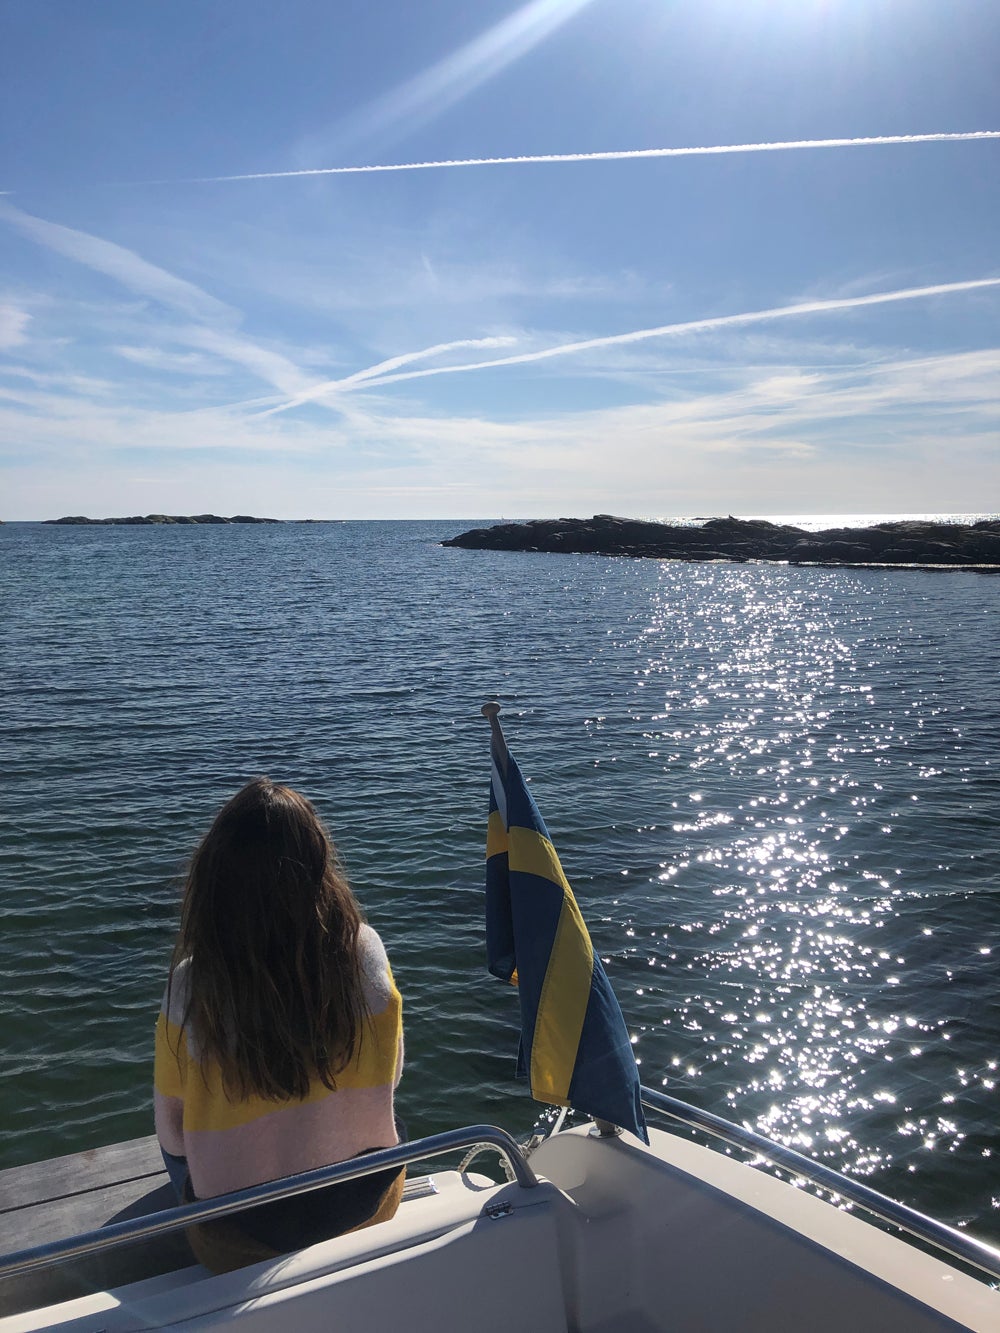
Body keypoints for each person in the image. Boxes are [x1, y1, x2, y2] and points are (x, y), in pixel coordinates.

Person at [153, 777, 404, 1273]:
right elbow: (390, 1077)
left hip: (237, 1242)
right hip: (368, 1207)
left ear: (214, 880)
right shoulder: (365, 952)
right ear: (318, 870)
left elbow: (174, 1136)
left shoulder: (191, 985)